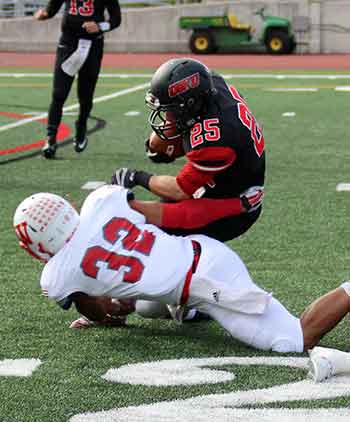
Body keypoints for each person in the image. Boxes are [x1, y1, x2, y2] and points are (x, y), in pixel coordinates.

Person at [13, 185, 350, 382]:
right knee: (145, 304)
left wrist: (101, 311)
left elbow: (103, 311)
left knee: (294, 339)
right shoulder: (102, 201)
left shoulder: (59, 276)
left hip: (208, 282)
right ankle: (188, 312)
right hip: (198, 249)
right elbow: (163, 218)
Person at [112, 57, 265, 242]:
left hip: (233, 204)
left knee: (153, 228)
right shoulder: (211, 85)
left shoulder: (215, 140)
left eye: (171, 109)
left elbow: (179, 189)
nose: (167, 117)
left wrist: (136, 177)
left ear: (191, 104)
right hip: (225, 175)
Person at [34, 0, 121, 159]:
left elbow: (116, 19)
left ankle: (81, 127)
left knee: (86, 96)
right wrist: (44, 14)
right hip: (68, 44)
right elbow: (52, 9)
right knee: (59, 93)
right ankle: (50, 138)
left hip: (93, 46)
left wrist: (100, 26)